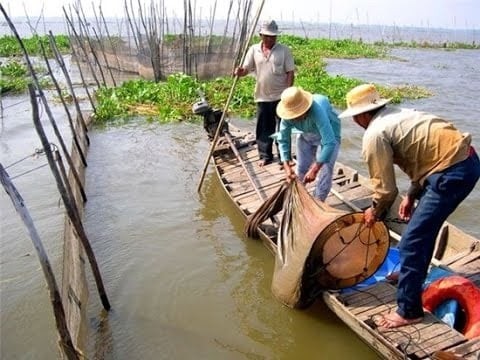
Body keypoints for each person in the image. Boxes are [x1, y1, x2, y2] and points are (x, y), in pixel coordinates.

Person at [338, 83, 480, 328]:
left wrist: (375, 210)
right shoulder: (399, 114)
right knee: (421, 230)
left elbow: (385, 190)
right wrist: (412, 195)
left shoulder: (374, 134)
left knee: (413, 240)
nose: (355, 122)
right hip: (465, 161)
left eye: (354, 117)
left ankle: (408, 311)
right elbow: (424, 156)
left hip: (451, 172)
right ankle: (408, 274)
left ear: (361, 116)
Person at [234, 19, 295, 166]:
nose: (270, 39)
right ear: (261, 35)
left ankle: (284, 157)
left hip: (281, 96)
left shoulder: (284, 50)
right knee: (264, 128)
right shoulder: (254, 49)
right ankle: (265, 156)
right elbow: (246, 69)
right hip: (262, 96)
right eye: (267, 36)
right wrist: (240, 71)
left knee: (283, 128)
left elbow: (290, 73)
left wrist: (287, 93)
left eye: (273, 36)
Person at [276, 86, 341, 201]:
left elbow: (329, 143)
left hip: (330, 133)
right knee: (301, 168)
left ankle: (319, 201)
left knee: (326, 169)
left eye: (297, 114)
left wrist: (315, 169)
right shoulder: (287, 116)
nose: (294, 118)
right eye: (292, 115)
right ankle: (297, 197)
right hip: (306, 132)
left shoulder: (317, 110)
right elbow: (283, 139)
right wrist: (286, 165)